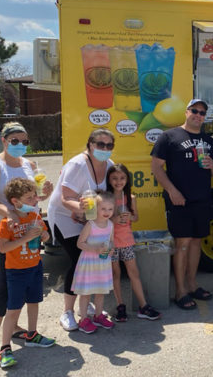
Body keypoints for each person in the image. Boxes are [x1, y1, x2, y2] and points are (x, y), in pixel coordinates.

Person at [0, 122, 52, 364]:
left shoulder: (30, 165)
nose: (20, 145)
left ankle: (22, 330)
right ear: (4, 139)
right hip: (3, 234)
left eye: (24, 141)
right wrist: (10, 214)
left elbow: (32, 198)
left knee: (26, 285)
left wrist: (45, 195)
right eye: (15, 140)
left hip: (29, 233)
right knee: (1, 287)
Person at [151, 99, 213, 310]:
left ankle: (192, 284)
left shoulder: (209, 141)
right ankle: (180, 290)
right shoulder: (169, 136)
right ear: (186, 112)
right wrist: (172, 191)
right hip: (179, 200)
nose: (198, 115)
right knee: (182, 244)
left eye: (202, 112)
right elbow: (156, 167)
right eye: (195, 111)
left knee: (197, 242)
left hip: (202, 199)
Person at [48, 128, 115, 331]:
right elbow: (65, 198)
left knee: (94, 262)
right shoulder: (78, 164)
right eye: (100, 144)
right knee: (79, 261)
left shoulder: (109, 165)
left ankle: (85, 306)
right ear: (90, 144)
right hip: (65, 218)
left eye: (109, 145)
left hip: (89, 220)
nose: (105, 149)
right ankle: (67, 312)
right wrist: (79, 210)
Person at [0, 178, 55, 369]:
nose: (35, 200)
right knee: (13, 309)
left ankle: (32, 334)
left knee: (34, 302)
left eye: (35, 196)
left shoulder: (35, 217)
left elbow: (46, 236)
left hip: (35, 267)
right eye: (30, 198)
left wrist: (44, 236)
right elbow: (3, 248)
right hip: (16, 272)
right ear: (16, 201)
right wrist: (26, 238)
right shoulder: (7, 222)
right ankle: (4, 348)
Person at [106, 164, 161, 321]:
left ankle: (143, 306)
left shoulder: (130, 198)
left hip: (127, 240)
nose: (118, 181)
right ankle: (120, 305)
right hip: (110, 242)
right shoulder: (106, 197)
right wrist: (113, 219)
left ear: (127, 179)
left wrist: (130, 216)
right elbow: (100, 219)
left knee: (133, 272)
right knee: (115, 273)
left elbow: (136, 217)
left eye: (122, 178)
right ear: (109, 180)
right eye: (114, 178)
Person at [72, 191, 116, 334]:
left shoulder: (110, 225)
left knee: (100, 292)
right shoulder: (91, 225)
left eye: (110, 209)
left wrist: (111, 250)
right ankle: (83, 319)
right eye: (103, 208)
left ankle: (98, 316)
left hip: (102, 265)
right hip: (89, 264)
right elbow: (80, 244)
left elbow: (111, 242)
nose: (107, 212)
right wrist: (95, 249)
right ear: (95, 208)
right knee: (86, 293)